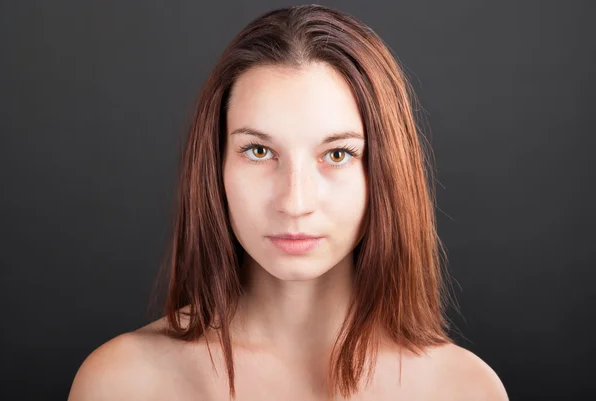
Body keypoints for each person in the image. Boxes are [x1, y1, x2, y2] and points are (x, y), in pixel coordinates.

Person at [68, 4, 508, 401]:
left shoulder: (466, 389)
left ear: (388, 172)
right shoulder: (120, 383)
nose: (295, 202)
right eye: (259, 151)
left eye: (337, 154)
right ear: (214, 166)